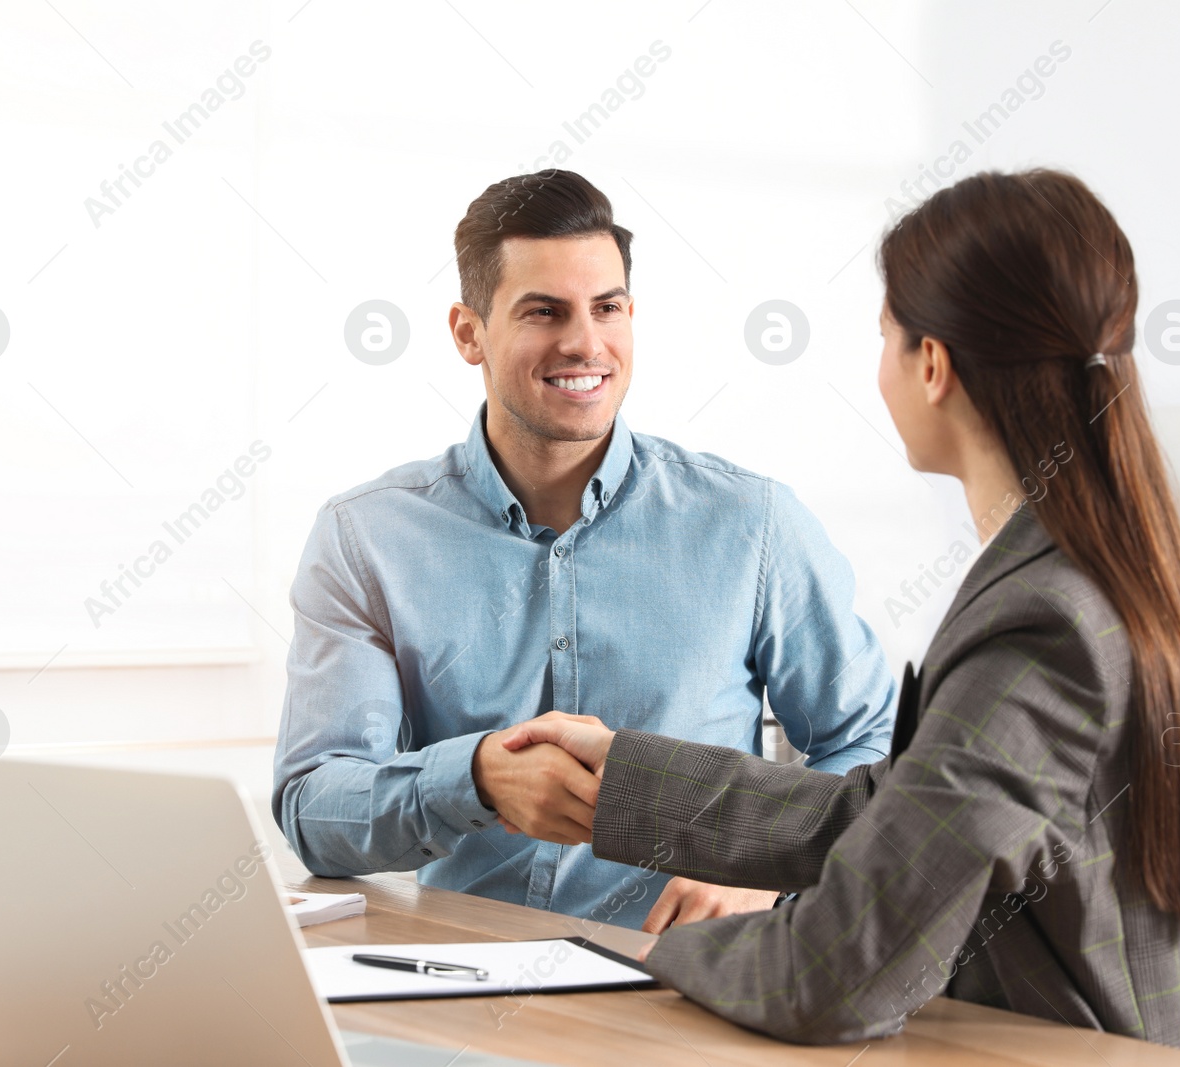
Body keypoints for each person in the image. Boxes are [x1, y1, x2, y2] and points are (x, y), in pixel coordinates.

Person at [497, 169, 1180, 1057]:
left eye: (885, 337)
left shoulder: (1043, 623)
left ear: (931, 364)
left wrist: (638, 952)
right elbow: (904, 813)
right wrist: (628, 775)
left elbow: (832, 974)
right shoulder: (1095, 567)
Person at [273, 170, 897, 932]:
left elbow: (869, 745)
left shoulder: (752, 524)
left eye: (606, 308)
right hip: (456, 986)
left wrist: (769, 869)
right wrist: (474, 777)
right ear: (468, 332)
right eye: (544, 311)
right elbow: (314, 804)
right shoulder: (366, 537)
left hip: (685, 983)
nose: (584, 343)